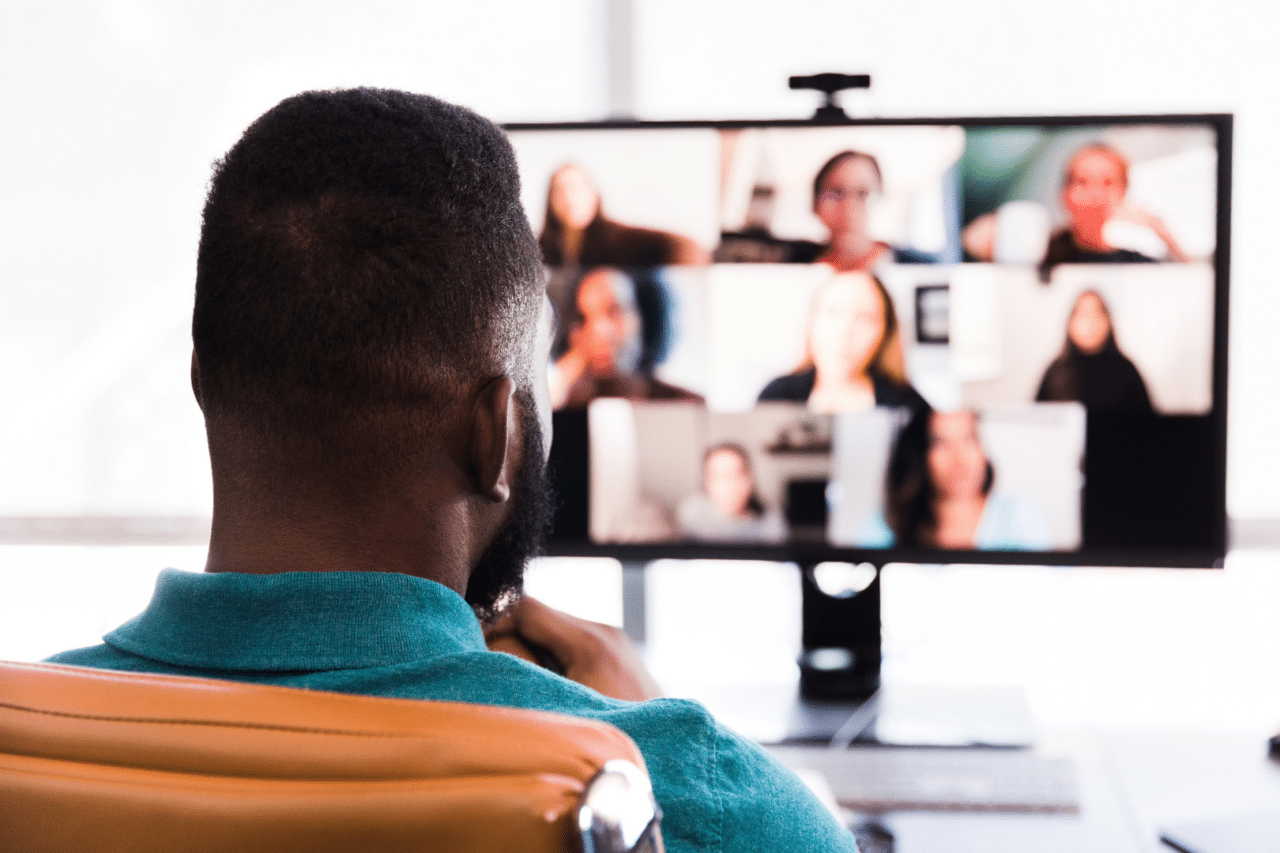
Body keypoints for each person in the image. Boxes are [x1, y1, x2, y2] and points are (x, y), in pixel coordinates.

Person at [44, 89, 855, 853]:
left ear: (203, 380)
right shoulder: (671, 789)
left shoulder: (30, 733)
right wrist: (644, 730)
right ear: (493, 432)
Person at [963, 143, 1188, 277]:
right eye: (1082, 182)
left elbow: (1199, 287)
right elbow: (971, 241)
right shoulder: (1042, 252)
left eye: (1108, 183)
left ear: (1123, 193)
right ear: (1064, 194)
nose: (1095, 194)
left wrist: (1162, 231)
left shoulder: (1136, 264)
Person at [859, 408, 1050, 550]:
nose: (959, 459)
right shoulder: (886, 523)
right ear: (919, 455)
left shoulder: (1020, 514)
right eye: (940, 443)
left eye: (969, 439)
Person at [758, 270, 927, 413]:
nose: (845, 331)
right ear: (811, 323)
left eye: (864, 318)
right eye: (833, 313)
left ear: (885, 333)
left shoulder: (910, 408)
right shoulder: (775, 397)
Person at [550, 266, 702, 409]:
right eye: (584, 318)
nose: (601, 331)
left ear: (644, 316)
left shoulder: (688, 403)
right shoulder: (564, 399)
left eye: (614, 311)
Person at [787, 150, 936, 269]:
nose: (848, 207)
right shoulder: (792, 265)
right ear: (815, 203)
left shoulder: (920, 269)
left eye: (862, 194)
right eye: (836, 192)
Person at [539, 163, 708, 266]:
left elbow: (686, 247)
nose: (570, 198)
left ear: (594, 195)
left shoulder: (618, 239)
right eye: (560, 191)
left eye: (577, 189)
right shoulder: (540, 248)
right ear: (550, 201)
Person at [1036, 289, 1154, 412]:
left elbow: (1147, 424)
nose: (1090, 321)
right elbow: (1037, 422)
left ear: (1108, 322)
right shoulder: (1055, 372)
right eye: (1083, 313)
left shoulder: (1126, 371)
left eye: (1097, 313)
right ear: (1070, 322)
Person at [676, 443, 787, 543]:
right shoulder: (691, 512)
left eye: (737, 474)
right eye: (719, 476)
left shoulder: (770, 518)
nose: (730, 485)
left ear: (750, 479)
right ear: (706, 482)